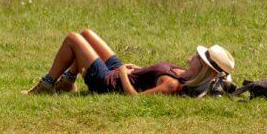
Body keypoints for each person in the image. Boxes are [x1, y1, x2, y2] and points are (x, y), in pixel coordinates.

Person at [22, 29, 234, 97]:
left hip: (109, 82)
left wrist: (123, 73)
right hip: (122, 72)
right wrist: (137, 69)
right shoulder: (184, 73)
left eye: (200, 57)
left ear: (204, 68)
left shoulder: (174, 84)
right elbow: (149, 77)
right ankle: (67, 83)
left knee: (73, 39)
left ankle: (47, 84)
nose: (195, 55)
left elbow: (136, 98)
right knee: (86, 34)